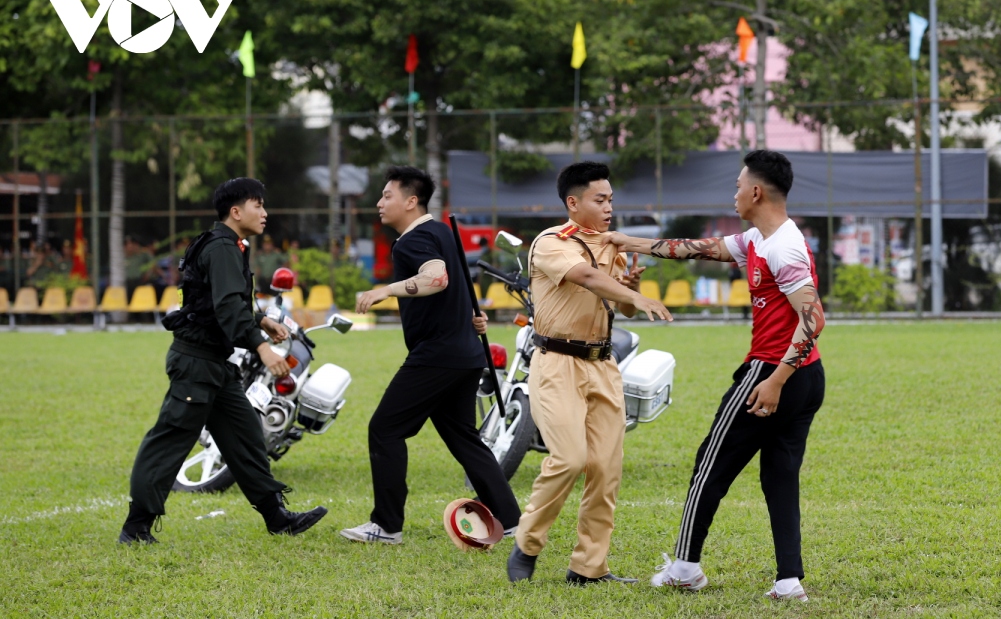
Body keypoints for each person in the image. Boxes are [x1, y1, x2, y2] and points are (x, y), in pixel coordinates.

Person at [604, 150, 827, 601]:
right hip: (808, 375)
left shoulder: (783, 245)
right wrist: (628, 242)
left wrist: (776, 380)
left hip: (773, 371)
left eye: (739, 185)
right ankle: (789, 581)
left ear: (756, 191)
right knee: (780, 476)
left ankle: (685, 568)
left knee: (710, 466)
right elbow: (697, 249)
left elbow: (813, 318)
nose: (735, 193)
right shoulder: (758, 238)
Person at [118, 177, 328, 544]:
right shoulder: (222, 248)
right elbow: (229, 308)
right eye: (257, 205)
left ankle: (277, 517)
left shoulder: (229, 245)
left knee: (246, 438)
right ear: (236, 211)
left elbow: (223, 302)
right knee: (169, 441)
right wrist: (262, 346)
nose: (264, 212)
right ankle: (136, 528)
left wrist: (261, 319)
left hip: (217, 364)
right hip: (196, 364)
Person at [506, 161, 672, 585]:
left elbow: (622, 306)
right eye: (600, 200)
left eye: (612, 200)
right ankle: (527, 544)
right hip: (556, 364)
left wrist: (633, 291)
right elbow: (585, 278)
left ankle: (588, 567)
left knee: (604, 467)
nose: (609, 208)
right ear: (573, 202)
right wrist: (638, 295)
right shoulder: (550, 242)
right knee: (569, 459)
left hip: (602, 364)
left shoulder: (611, 245)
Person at [339, 166, 521, 545]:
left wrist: (385, 290)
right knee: (464, 438)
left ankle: (386, 526)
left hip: (437, 355)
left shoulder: (412, 241)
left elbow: (438, 278)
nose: (379, 202)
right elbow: (461, 289)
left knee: (385, 429)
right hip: (465, 353)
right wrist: (473, 319)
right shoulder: (442, 232)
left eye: (387, 195)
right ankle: (510, 519)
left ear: (411, 201)